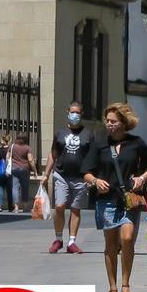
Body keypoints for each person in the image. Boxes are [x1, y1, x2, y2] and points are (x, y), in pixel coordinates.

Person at [82, 102, 147, 292]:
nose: (109, 124)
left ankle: (126, 285)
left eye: (113, 121)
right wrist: (95, 181)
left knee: (127, 239)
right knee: (110, 245)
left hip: (129, 200)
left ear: (124, 123)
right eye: (107, 121)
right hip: (106, 201)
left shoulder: (137, 143)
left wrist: (141, 179)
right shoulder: (100, 144)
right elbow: (87, 171)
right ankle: (112, 289)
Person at [42, 101, 95, 254]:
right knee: (59, 206)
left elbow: (92, 157)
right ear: (67, 112)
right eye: (72, 112)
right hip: (61, 175)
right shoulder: (60, 134)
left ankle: (72, 242)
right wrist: (46, 174)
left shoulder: (88, 134)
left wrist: (92, 177)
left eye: (77, 112)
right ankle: (58, 239)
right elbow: (53, 155)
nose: (75, 115)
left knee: (75, 209)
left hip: (80, 177)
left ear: (82, 114)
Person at [7, 133, 39, 213]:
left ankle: (16, 207)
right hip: (24, 169)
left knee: (15, 188)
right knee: (25, 188)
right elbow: (30, 160)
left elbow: (7, 157)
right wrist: (35, 171)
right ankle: (25, 207)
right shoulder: (27, 148)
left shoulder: (12, 146)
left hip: (14, 169)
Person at [0, 133, 14, 212]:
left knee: (0, 187)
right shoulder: (10, 149)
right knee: (9, 189)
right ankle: (10, 206)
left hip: (0, 171)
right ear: (8, 141)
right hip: (8, 170)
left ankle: (0, 206)